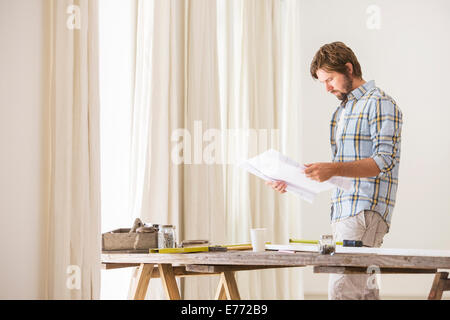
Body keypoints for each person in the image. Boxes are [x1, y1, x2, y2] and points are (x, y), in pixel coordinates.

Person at [266, 41, 403, 300]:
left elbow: (384, 161)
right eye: (323, 82)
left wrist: (332, 169)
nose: (327, 87)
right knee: (363, 294)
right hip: (344, 211)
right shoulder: (342, 111)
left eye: (330, 79)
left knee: (343, 293)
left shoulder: (380, 103)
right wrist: (293, 181)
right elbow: (341, 174)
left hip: (364, 212)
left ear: (349, 69)